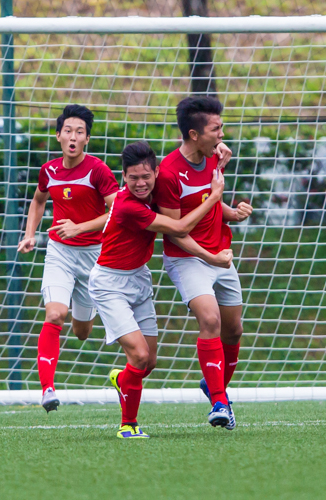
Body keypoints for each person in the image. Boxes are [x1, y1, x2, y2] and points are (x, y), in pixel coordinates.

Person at [89, 141, 231, 438]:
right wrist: (215, 195)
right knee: (139, 356)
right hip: (109, 284)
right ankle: (128, 426)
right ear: (123, 177)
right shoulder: (127, 205)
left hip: (139, 278)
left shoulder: (157, 194)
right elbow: (178, 228)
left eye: (146, 177)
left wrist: (216, 162)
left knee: (149, 361)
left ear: (156, 172)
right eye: (133, 178)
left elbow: (190, 197)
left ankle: (122, 380)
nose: (140, 183)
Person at [155, 96, 252, 429]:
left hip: (218, 254)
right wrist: (210, 256)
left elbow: (209, 203)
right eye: (216, 128)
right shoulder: (168, 173)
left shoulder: (214, 157)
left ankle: (214, 385)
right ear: (194, 134)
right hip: (187, 258)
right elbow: (175, 230)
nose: (222, 134)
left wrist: (232, 213)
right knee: (209, 320)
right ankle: (221, 402)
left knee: (234, 329)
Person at [17, 104, 119, 413]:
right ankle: (47, 388)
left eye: (80, 132)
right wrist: (30, 233)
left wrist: (81, 227)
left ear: (87, 139)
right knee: (54, 315)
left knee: (82, 332)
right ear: (58, 135)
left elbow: (116, 211)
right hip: (59, 252)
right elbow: (38, 200)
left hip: (94, 257)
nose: (73, 137)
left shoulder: (98, 171)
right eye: (68, 131)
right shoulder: (49, 170)